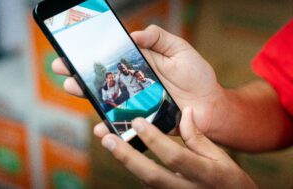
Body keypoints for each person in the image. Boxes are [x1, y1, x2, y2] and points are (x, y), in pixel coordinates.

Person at [51, 20, 293, 188]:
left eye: (121, 69)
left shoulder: (133, 74)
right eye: (118, 70)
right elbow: (285, 97)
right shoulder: (114, 81)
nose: (120, 71)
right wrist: (216, 108)